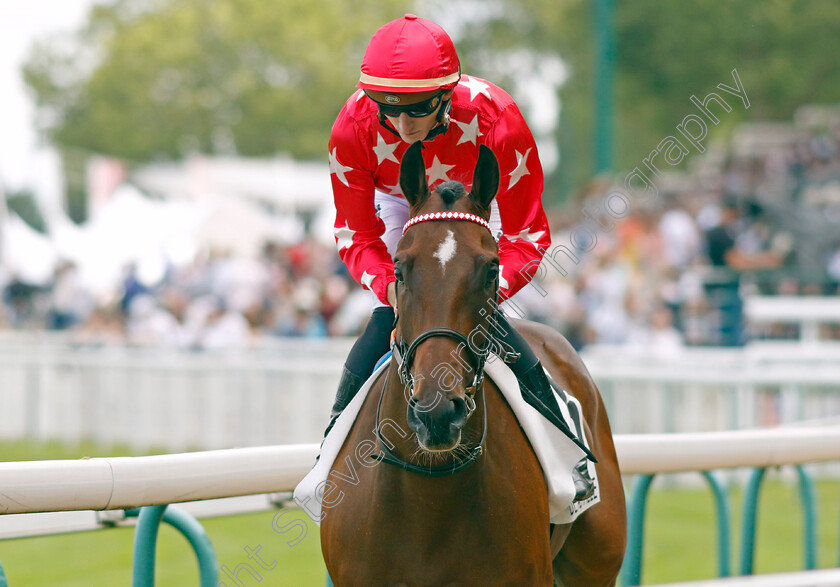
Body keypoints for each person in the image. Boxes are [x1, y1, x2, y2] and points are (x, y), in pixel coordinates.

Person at [325, 14, 592, 499]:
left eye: (418, 109)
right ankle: (326, 466)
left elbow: (528, 235)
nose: (403, 124)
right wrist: (392, 286)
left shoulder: (498, 118)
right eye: (388, 109)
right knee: (387, 314)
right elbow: (354, 233)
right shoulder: (352, 127)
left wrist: (477, 288)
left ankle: (570, 463)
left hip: (473, 203)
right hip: (400, 200)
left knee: (478, 313)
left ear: (446, 94)